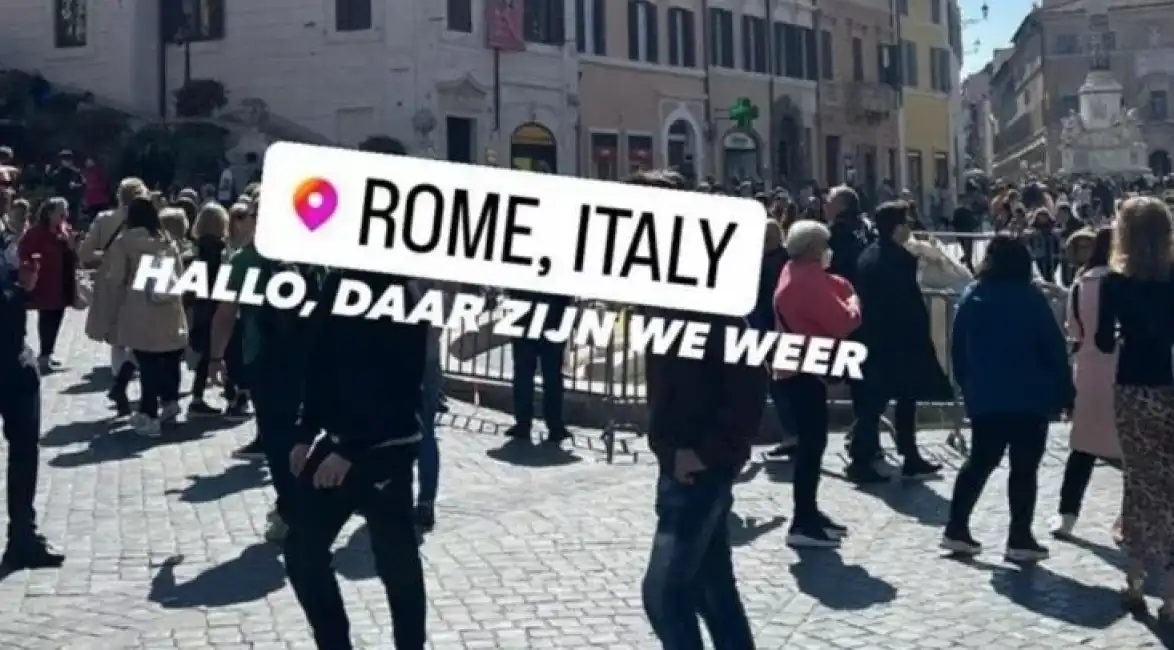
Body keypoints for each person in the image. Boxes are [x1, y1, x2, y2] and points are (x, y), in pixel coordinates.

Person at [281, 268, 429, 650]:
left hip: (386, 448)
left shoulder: (400, 290)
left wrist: (351, 450)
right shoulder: (335, 283)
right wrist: (304, 431)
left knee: (396, 564)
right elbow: (320, 362)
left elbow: (399, 383)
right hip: (337, 442)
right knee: (301, 552)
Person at [943, 234, 1074, 561]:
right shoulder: (1030, 298)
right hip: (1029, 395)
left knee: (979, 462)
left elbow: (957, 346)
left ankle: (956, 527)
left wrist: (966, 385)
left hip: (986, 394)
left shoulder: (972, 295)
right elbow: (1052, 347)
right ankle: (1019, 536)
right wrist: (1064, 390)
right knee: (1024, 468)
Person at [208, 197, 311, 542]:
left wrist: (214, 357)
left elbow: (225, 312)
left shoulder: (245, 260)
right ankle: (302, 503)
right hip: (308, 357)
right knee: (304, 431)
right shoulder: (309, 254)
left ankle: (291, 509)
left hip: (264, 357)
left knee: (275, 436)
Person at [1094, 197, 1174, 618]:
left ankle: (1137, 578)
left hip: (1135, 385)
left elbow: (1104, 341)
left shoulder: (1115, 282)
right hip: (1172, 382)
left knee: (1140, 479)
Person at [847, 201, 951, 484]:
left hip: (876, 338)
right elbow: (906, 304)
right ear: (898, 227)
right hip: (897, 340)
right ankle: (864, 458)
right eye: (906, 223)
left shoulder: (869, 254)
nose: (910, 228)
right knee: (886, 402)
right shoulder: (898, 260)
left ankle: (905, 455)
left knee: (887, 400)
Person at [774, 220, 862, 548]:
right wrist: (853, 300)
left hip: (794, 366)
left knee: (812, 446)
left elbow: (834, 283)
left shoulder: (792, 270)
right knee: (812, 447)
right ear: (813, 250)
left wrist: (843, 291)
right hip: (804, 369)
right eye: (824, 245)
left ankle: (809, 512)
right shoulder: (807, 281)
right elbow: (844, 319)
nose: (829, 251)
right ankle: (803, 520)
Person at [0, 221, 64, 570]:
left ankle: (23, 535)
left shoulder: (9, 238)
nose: (7, 189)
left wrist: (24, 287)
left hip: (14, 359)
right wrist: (19, 288)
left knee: (25, 451)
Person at [98, 197, 189, 436]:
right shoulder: (167, 240)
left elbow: (117, 278)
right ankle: (170, 403)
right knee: (169, 357)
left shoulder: (124, 243)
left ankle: (149, 414)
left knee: (146, 360)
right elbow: (178, 272)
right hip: (168, 305)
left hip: (140, 308)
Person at [1053, 226, 1121, 540]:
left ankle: (1067, 516)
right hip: (1124, 371)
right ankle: (1129, 519)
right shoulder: (1127, 283)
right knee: (1131, 451)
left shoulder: (1081, 283)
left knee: (1082, 449)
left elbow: (1075, 331)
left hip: (1088, 371)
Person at [81, 177, 148, 415]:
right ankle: (133, 386)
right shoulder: (149, 219)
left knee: (117, 340)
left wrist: (107, 256)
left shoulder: (104, 219)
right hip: (140, 283)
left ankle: (120, 384)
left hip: (111, 283)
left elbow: (85, 253)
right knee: (145, 338)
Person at [750, 220, 797, 461]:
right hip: (785, 328)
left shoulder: (764, 264)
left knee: (776, 385)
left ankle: (791, 434)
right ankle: (795, 433)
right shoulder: (788, 261)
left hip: (767, 328)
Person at [18, 197, 78, 372]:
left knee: (57, 316)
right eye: (61, 211)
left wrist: (73, 245)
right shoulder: (36, 232)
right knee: (47, 317)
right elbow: (24, 252)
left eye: (65, 211)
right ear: (49, 213)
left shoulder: (64, 230)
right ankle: (44, 356)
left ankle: (48, 353)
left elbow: (72, 253)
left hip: (63, 281)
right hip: (45, 282)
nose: (65, 215)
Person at [186, 203, 231, 417]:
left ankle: (197, 396)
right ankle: (232, 394)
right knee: (224, 349)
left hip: (200, 304)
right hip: (217, 303)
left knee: (205, 352)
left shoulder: (196, 248)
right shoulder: (222, 250)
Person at [825, 185, 874, 286]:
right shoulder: (867, 226)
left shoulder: (835, 232)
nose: (825, 207)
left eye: (829, 202)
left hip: (843, 287)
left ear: (842, 207)